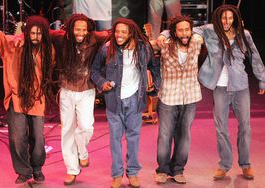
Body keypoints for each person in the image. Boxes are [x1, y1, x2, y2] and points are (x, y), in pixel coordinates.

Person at [158, 4, 265, 180]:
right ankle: (224, 165)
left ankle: (245, 164)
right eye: (223, 18)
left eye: (230, 18)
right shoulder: (209, 30)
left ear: (235, 19)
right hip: (219, 87)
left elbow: (255, 55)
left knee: (245, 126)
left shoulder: (243, 34)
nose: (226, 21)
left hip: (240, 86)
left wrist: (262, 79)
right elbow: (183, 29)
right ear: (217, 18)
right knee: (221, 128)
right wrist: (163, 34)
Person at [0, 10, 55, 184]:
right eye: (32, 32)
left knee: (38, 138)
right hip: (16, 98)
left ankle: (37, 168)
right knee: (17, 138)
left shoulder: (48, 50)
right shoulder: (13, 44)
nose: (35, 36)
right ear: (27, 31)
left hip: (37, 98)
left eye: (39, 33)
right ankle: (24, 170)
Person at [91, 18, 160, 188]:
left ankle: (133, 172)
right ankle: (116, 174)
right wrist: (102, 83)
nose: (119, 35)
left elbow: (155, 67)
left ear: (131, 33)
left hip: (135, 100)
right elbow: (94, 71)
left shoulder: (143, 48)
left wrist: (154, 86)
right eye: (117, 32)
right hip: (114, 100)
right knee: (115, 139)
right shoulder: (107, 49)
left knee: (133, 138)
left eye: (123, 32)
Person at [50, 13, 108, 185]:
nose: (80, 32)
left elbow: (114, 32)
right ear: (71, 29)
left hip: (87, 89)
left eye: (84, 29)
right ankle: (72, 169)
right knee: (67, 130)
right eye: (77, 29)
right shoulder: (62, 39)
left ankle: (82, 152)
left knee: (86, 126)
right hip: (66, 89)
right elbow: (44, 32)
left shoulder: (94, 39)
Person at [152, 16, 203, 184]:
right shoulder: (166, 45)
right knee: (165, 136)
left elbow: (203, 30)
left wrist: (165, 33)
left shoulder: (196, 41)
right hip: (169, 97)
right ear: (174, 32)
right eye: (180, 30)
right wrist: (163, 35)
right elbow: (152, 43)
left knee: (184, 136)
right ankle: (163, 170)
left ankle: (178, 169)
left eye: (187, 29)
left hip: (190, 97)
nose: (184, 34)